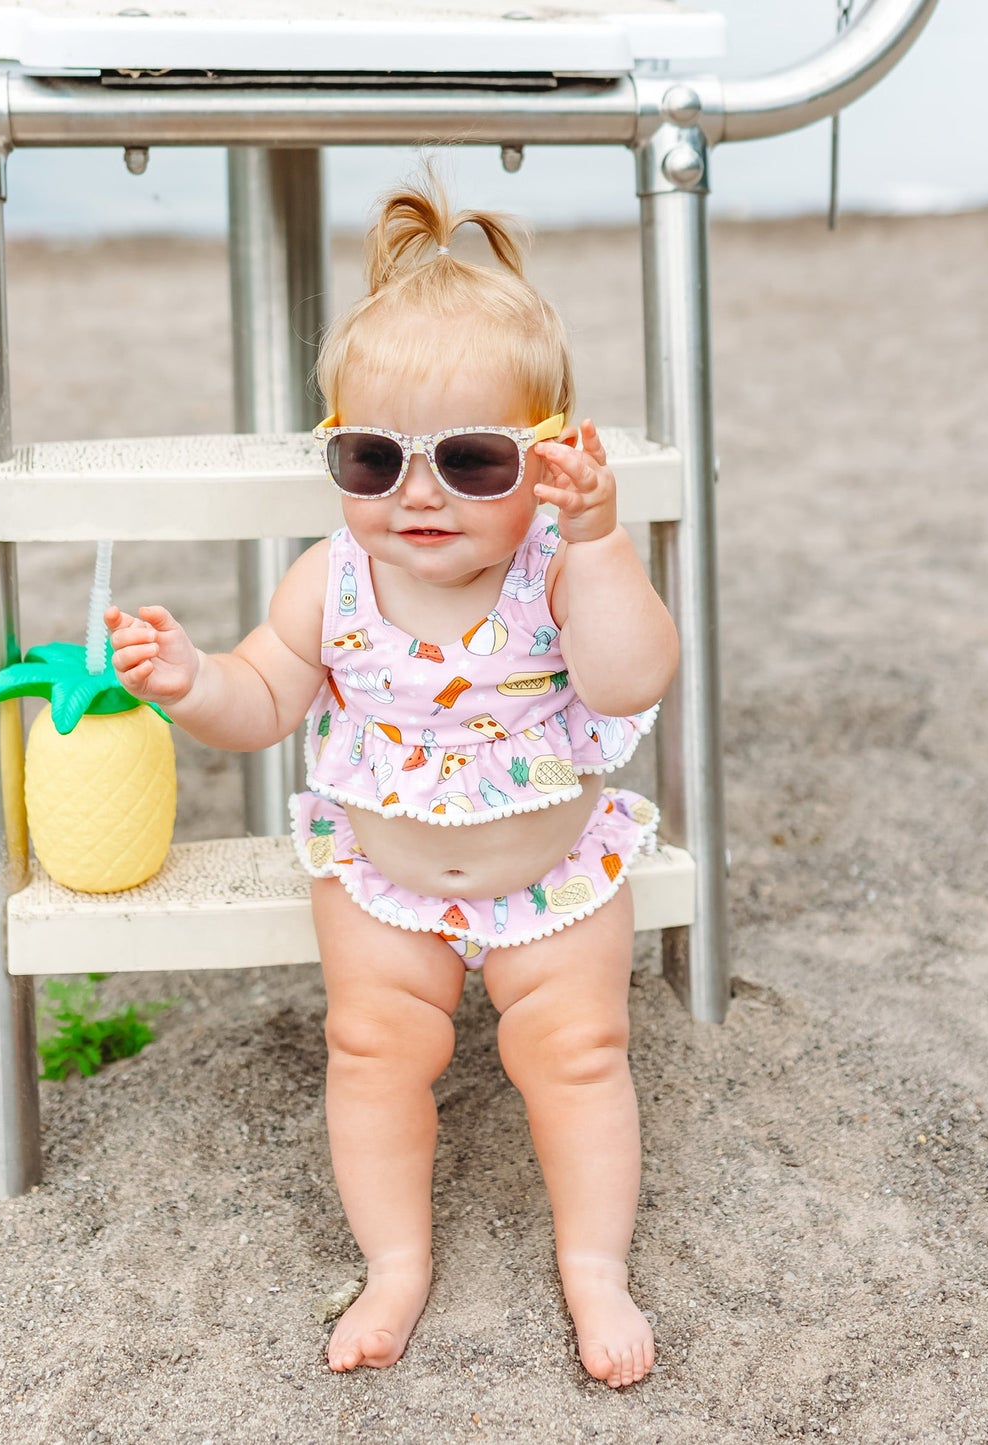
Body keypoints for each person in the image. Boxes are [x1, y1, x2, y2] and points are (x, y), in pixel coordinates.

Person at [105, 177, 679, 1389]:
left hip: (552, 881)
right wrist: (190, 675)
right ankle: (395, 1259)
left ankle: (593, 1262)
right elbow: (261, 702)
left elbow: (629, 683)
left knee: (575, 1052)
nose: (415, 494)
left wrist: (599, 542)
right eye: (372, 457)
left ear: (549, 457)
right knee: (369, 1044)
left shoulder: (554, 568)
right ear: (338, 456)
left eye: (470, 460)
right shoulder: (330, 579)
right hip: (381, 877)